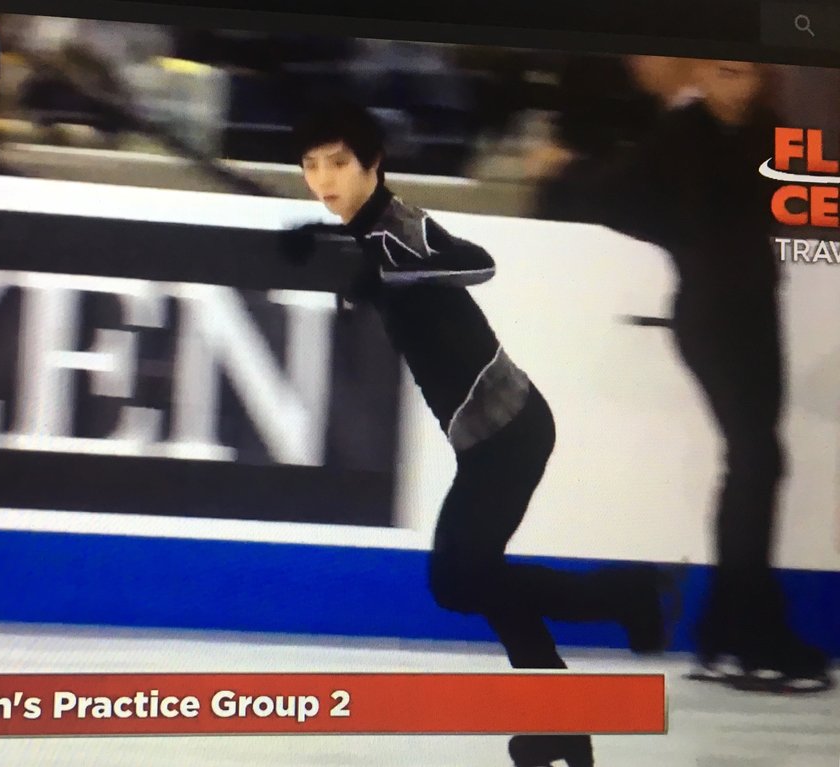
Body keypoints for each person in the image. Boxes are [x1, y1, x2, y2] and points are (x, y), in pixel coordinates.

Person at [284, 101, 681, 767]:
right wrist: (321, 248)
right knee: (478, 579)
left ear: (373, 163)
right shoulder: (369, 233)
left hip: (510, 432)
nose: (324, 179)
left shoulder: (401, 228)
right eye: (311, 165)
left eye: (339, 163)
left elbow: (477, 262)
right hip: (492, 438)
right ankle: (571, 699)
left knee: (460, 580)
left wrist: (384, 275)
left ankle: (622, 605)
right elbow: (374, 272)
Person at [531, 60, 833, 693]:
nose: (739, 85)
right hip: (710, 315)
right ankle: (746, 635)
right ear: (703, 73)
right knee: (756, 460)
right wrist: (685, 240)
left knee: (759, 464)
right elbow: (610, 195)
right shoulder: (680, 134)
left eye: (748, 75)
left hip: (759, 310)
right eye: (727, 72)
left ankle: (728, 634)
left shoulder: (767, 130)